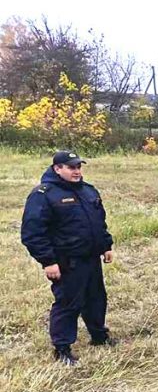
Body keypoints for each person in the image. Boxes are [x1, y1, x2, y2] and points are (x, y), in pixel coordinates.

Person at [20, 151, 115, 365]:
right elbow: (32, 233)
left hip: (91, 257)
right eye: (71, 167)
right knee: (68, 303)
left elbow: (99, 221)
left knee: (96, 298)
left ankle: (99, 335)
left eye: (79, 167)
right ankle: (62, 348)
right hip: (66, 261)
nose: (77, 171)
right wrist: (48, 261)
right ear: (57, 169)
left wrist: (106, 245)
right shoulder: (43, 195)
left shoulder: (88, 191)